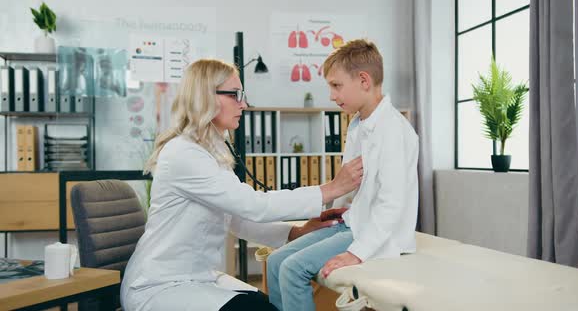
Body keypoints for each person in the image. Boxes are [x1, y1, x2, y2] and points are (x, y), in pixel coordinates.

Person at [120, 59, 364, 311]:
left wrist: (296, 233)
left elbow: (236, 219)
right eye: (235, 95)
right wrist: (332, 188)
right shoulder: (184, 153)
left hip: (195, 277)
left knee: (266, 305)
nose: (244, 104)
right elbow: (252, 205)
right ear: (205, 96)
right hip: (160, 286)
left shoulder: (209, 150)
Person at [266, 39, 419, 311]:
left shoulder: (393, 129)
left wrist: (355, 253)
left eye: (336, 86)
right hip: (352, 222)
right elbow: (352, 185)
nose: (332, 96)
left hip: (374, 232)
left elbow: (392, 204)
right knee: (275, 261)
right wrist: (337, 213)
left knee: (292, 269)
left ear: (363, 80)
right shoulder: (360, 123)